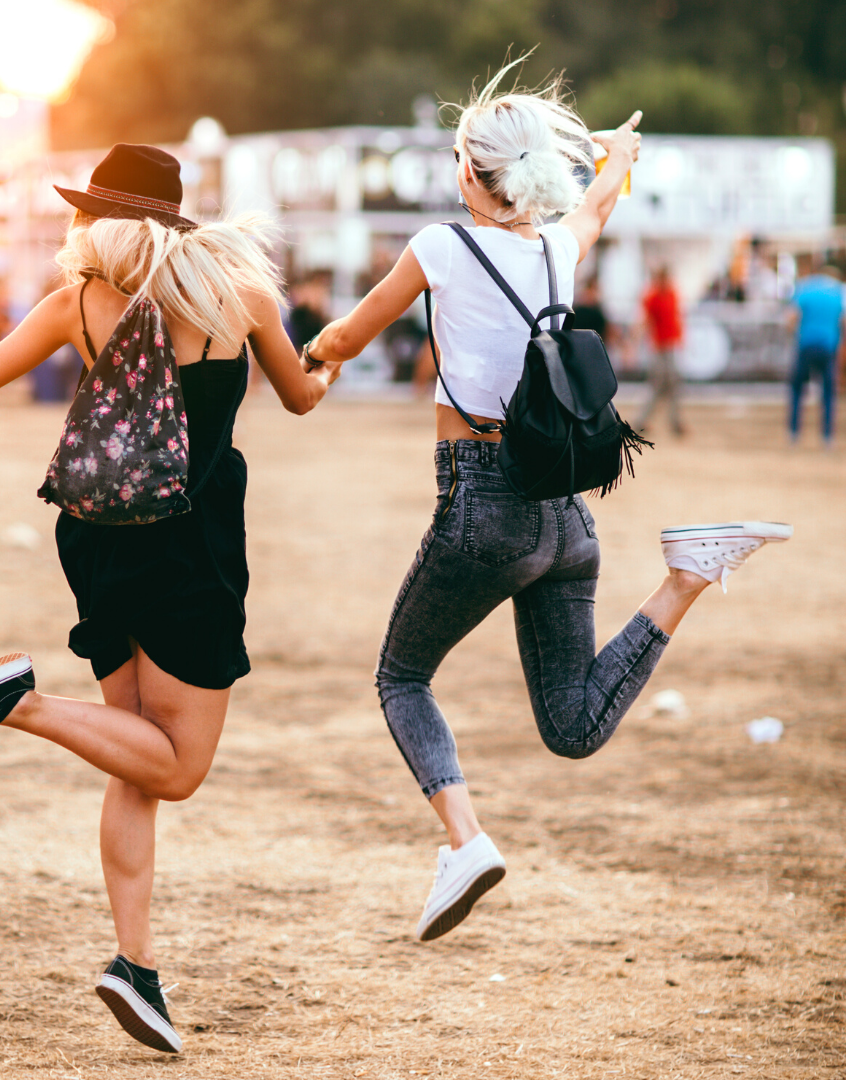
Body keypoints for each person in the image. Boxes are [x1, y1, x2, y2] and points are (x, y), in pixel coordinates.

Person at [0, 144, 342, 1054]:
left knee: (135, 762)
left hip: (97, 539)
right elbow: (301, 397)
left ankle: (136, 966)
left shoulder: (78, 303)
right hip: (191, 548)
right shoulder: (239, 294)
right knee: (180, 767)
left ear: (101, 221)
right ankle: (21, 700)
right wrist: (329, 366)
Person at [302, 61, 792, 943]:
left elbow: (344, 334)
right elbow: (601, 201)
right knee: (570, 726)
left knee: (401, 677)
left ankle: (464, 842)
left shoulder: (441, 247)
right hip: (566, 515)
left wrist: (317, 359)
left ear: (465, 172)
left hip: (483, 506)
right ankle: (682, 580)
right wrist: (622, 153)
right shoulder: (561, 245)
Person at [786, 262, 845, 447]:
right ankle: (827, 435)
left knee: (797, 389)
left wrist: (796, 335)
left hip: (806, 346)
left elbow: (791, 319)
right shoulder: (838, 293)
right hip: (828, 347)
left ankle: (794, 432)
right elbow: (843, 322)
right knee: (828, 392)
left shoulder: (805, 289)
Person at [636, 266, 686, 435]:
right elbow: (645, 321)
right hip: (659, 346)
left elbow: (676, 317)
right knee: (659, 386)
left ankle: (673, 421)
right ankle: (643, 420)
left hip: (669, 345)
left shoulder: (671, 293)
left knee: (671, 386)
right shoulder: (652, 296)